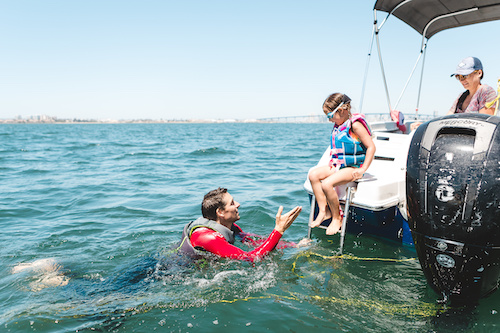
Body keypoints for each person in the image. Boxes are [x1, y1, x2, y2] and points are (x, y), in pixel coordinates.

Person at [308, 93, 376, 235]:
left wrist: (363, 169)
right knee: (313, 175)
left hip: (353, 167)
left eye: (329, 115)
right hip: (339, 166)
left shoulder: (355, 125)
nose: (329, 120)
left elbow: (371, 147)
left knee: (326, 184)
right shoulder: (339, 125)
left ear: (342, 110)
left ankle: (337, 218)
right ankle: (324, 211)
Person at [178, 188, 303, 261]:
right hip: (177, 272)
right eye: (232, 203)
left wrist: (293, 245)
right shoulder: (208, 238)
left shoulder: (230, 227)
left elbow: (254, 242)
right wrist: (279, 230)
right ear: (220, 212)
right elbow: (252, 258)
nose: (238, 204)